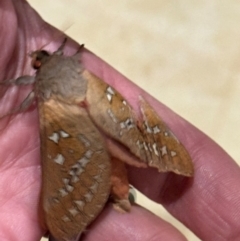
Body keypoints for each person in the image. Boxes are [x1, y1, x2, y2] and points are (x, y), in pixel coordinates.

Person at [0, 1, 239, 240]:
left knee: (62, 171)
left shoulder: (44, 96)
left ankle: (110, 189)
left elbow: (24, 97)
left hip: (65, 124)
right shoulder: (82, 73)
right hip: (93, 97)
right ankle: (142, 161)